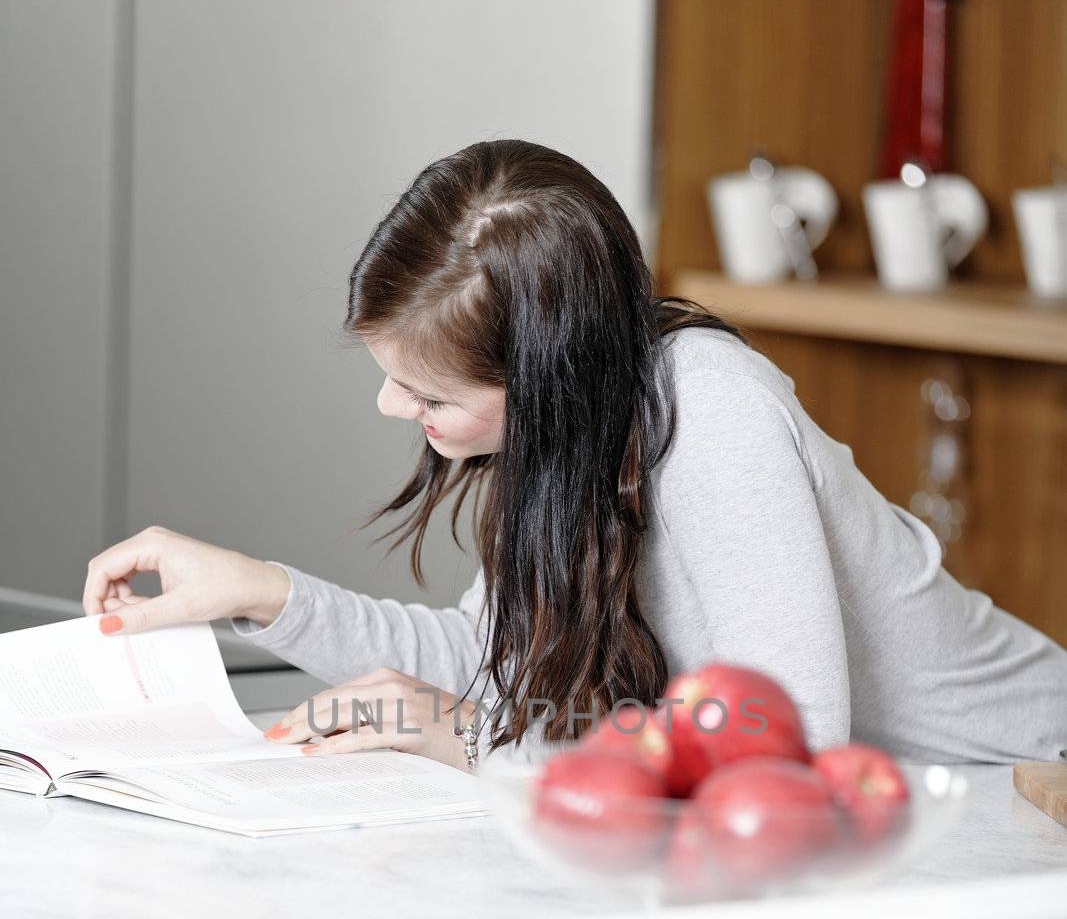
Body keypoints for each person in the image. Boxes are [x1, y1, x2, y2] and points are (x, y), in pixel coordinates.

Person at [83, 139, 1067, 771]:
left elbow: (786, 750)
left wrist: (462, 736)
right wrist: (257, 592)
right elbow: (482, 661)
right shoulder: (568, 430)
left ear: (546, 376)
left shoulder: (714, 410)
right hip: (896, 828)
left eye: (429, 395)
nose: (391, 406)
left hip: (1021, 796)